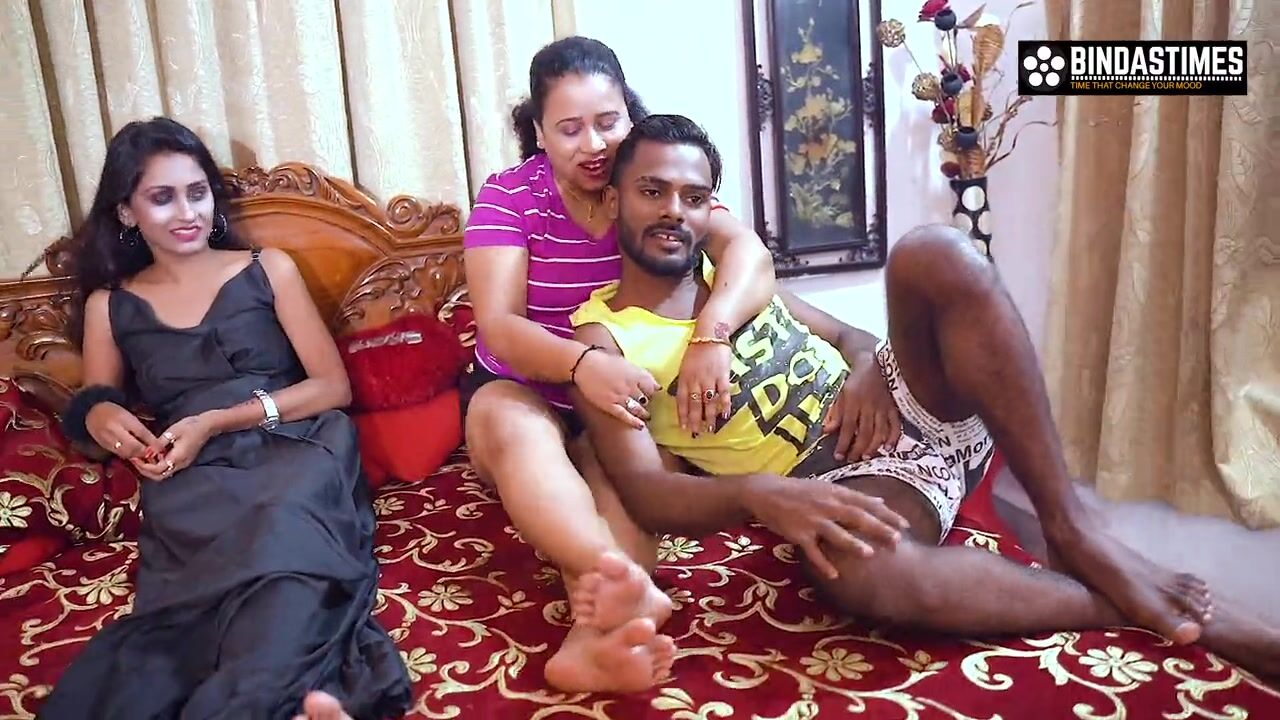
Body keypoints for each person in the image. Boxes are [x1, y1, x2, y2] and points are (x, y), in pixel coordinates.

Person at [566, 113, 1280, 681]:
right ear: (613, 200)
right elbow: (647, 494)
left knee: (930, 252)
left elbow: (850, 337)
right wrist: (762, 495)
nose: (674, 211)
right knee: (853, 566)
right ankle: (1127, 604)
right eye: (652, 191)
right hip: (856, 478)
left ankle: (1070, 527)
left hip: (909, 398)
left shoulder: (733, 281)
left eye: (693, 198)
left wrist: (867, 370)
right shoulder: (603, 339)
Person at [38, 117, 411, 719]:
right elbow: (94, 415)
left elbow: (332, 388)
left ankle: (248, 702)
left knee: (285, 532)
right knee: (194, 611)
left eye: (197, 192)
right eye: (162, 197)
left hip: (297, 441)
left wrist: (219, 420)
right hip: (194, 470)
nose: (187, 212)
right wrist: (101, 413)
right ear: (127, 211)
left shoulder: (269, 267)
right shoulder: (111, 304)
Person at [461, 36, 778, 693]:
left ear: (630, 114)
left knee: (622, 477)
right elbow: (499, 325)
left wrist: (712, 335)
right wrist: (581, 364)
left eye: (608, 122)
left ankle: (591, 645)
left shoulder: (651, 180)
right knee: (518, 428)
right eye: (569, 128)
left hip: (624, 398)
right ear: (539, 132)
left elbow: (748, 252)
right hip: (524, 386)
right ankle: (620, 577)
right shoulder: (510, 197)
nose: (594, 144)